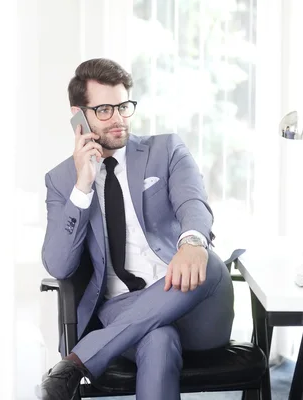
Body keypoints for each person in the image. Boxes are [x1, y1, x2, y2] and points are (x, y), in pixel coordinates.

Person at [38, 58, 234, 400]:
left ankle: (77, 361)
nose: (118, 118)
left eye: (123, 106)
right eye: (103, 109)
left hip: (195, 301)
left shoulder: (167, 149)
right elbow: (58, 265)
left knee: (208, 259)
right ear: (78, 116)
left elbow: (194, 204)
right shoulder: (61, 181)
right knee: (158, 338)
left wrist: (191, 241)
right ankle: (83, 359)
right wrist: (84, 185)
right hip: (124, 308)